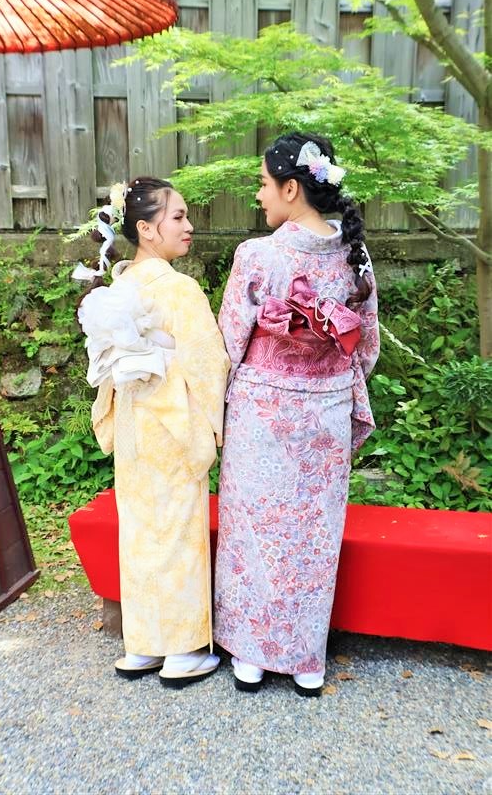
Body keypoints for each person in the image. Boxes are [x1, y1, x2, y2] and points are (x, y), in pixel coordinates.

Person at [213, 133, 380, 696]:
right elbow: (366, 346)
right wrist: (326, 382)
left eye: (263, 184)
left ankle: (251, 654)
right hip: (326, 412)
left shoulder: (258, 255)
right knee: (312, 535)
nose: (259, 195)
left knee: (255, 529)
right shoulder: (354, 255)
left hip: (261, 413)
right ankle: (307, 659)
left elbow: (228, 344)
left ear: (291, 189)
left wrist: (220, 401)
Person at [74, 177, 230, 688]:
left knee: (140, 529)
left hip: (132, 419)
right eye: (178, 217)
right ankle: (182, 650)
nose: (189, 226)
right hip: (173, 419)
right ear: (145, 228)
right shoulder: (178, 289)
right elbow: (208, 362)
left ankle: (141, 645)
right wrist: (215, 422)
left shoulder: (117, 287)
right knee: (178, 530)